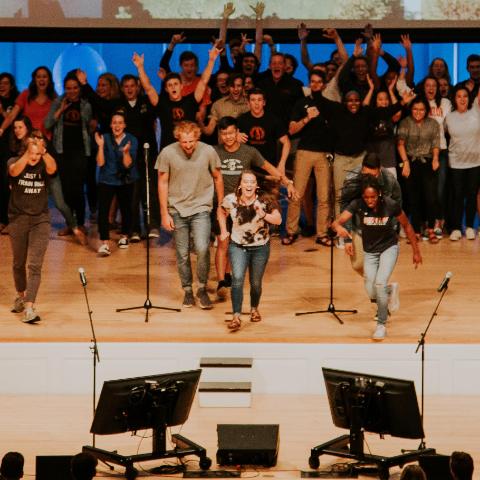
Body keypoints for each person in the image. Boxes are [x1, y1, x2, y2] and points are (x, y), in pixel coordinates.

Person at [214, 116, 296, 298]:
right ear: (220, 135)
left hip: (243, 205)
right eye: (224, 133)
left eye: (230, 133)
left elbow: (268, 167)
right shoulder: (214, 152)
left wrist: (287, 181)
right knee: (223, 241)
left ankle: (228, 275)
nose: (227, 137)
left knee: (236, 241)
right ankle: (221, 281)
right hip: (222, 204)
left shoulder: (249, 152)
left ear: (237, 133)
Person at [333, 177, 422, 341]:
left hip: (389, 247)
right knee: (370, 288)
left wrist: (416, 251)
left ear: (379, 194)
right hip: (370, 251)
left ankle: (381, 324)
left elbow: (407, 226)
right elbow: (337, 223)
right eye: (366, 197)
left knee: (379, 283)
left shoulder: (390, 205)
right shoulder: (358, 204)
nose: (369, 201)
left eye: (372, 197)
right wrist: (341, 230)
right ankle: (390, 290)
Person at [156, 120, 224, 309]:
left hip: (201, 207)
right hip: (177, 209)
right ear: (178, 138)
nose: (187, 146)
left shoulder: (208, 151)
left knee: (202, 248)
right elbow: (162, 183)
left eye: (191, 142)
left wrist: (221, 204)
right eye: (184, 142)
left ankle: (201, 289)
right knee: (182, 253)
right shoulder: (168, 153)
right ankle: (187, 290)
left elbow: (218, 177)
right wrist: (164, 214)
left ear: (197, 138)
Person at [218, 170, 282, 332]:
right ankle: (236, 316)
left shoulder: (265, 200)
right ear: (240, 184)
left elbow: (278, 220)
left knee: (255, 283)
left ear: (256, 185)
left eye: (252, 182)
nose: (249, 185)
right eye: (246, 181)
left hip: (260, 247)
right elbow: (221, 211)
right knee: (237, 279)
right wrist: (223, 230)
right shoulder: (231, 200)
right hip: (238, 246)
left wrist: (263, 214)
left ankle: (254, 309)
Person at [8, 132, 57, 323]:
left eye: (37, 153)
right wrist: (27, 155)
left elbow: (53, 169)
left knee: (35, 265)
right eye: (32, 153)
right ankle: (21, 295)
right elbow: (13, 171)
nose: (34, 157)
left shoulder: (44, 163)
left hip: (40, 219)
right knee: (18, 263)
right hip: (18, 218)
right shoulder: (14, 161)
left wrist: (43, 152)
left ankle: (29, 307)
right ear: (25, 151)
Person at [44, 72, 93, 236]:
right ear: (64, 88)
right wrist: (61, 110)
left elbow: (89, 123)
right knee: (66, 189)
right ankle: (69, 223)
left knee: (78, 188)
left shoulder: (85, 103)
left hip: (80, 151)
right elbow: (47, 123)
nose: (72, 91)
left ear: (79, 88)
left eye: (75, 88)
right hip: (62, 151)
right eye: (68, 88)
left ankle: (80, 223)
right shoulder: (58, 102)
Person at [340, 153, 402, 276]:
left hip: (382, 228)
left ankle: (379, 286)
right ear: (362, 169)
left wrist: (393, 229)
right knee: (358, 265)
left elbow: (397, 205)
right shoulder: (351, 179)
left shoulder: (389, 180)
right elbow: (345, 207)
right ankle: (377, 283)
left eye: (373, 175)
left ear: (379, 170)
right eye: (366, 174)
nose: (370, 179)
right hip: (360, 227)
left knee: (377, 271)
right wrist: (347, 239)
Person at [397, 97, 441, 243]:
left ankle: (430, 229)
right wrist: (405, 162)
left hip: (428, 162)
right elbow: (400, 144)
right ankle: (415, 230)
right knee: (413, 198)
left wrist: (435, 159)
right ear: (411, 109)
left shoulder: (433, 123)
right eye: (415, 109)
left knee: (430, 197)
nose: (418, 112)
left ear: (426, 110)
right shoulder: (405, 122)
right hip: (410, 162)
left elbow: (436, 143)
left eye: (421, 109)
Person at [95, 112, 138, 256]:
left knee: (126, 208)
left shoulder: (132, 139)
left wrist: (125, 152)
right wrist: (100, 147)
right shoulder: (105, 138)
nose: (117, 125)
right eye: (114, 122)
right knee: (103, 210)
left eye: (120, 122)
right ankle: (104, 243)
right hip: (106, 179)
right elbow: (100, 163)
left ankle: (124, 236)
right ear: (110, 125)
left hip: (125, 179)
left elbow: (128, 164)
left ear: (124, 125)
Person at [445, 86, 480, 240]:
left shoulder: (476, 111)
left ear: (469, 98)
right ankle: (456, 228)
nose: (462, 99)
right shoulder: (449, 117)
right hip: (456, 162)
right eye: (459, 96)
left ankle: (471, 227)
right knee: (457, 196)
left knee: (472, 195)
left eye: (465, 96)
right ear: (454, 99)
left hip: (475, 161)